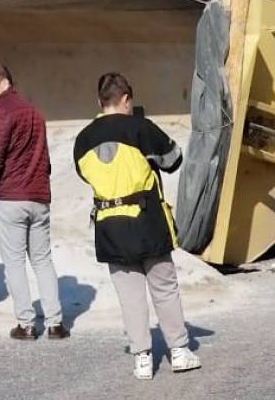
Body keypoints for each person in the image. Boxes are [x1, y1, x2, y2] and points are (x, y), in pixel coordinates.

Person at [73, 72, 201, 380]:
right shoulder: (140, 128)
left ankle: (142, 358)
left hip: (109, 226)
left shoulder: (83, 139)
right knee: (164, 287)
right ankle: (179, 351)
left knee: (129, 295)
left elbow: (84, 174)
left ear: (99, 102)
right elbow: (174, 160)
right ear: (127, 99)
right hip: (147, 222)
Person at [0, 63, 67, 340]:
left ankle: (26, 324)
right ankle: (55, 324)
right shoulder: (35, 113)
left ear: (3, 83)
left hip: (9, 198)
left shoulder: (1, 112)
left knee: (14, 262)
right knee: (42, 259)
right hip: (38, 197)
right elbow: (45, 160)